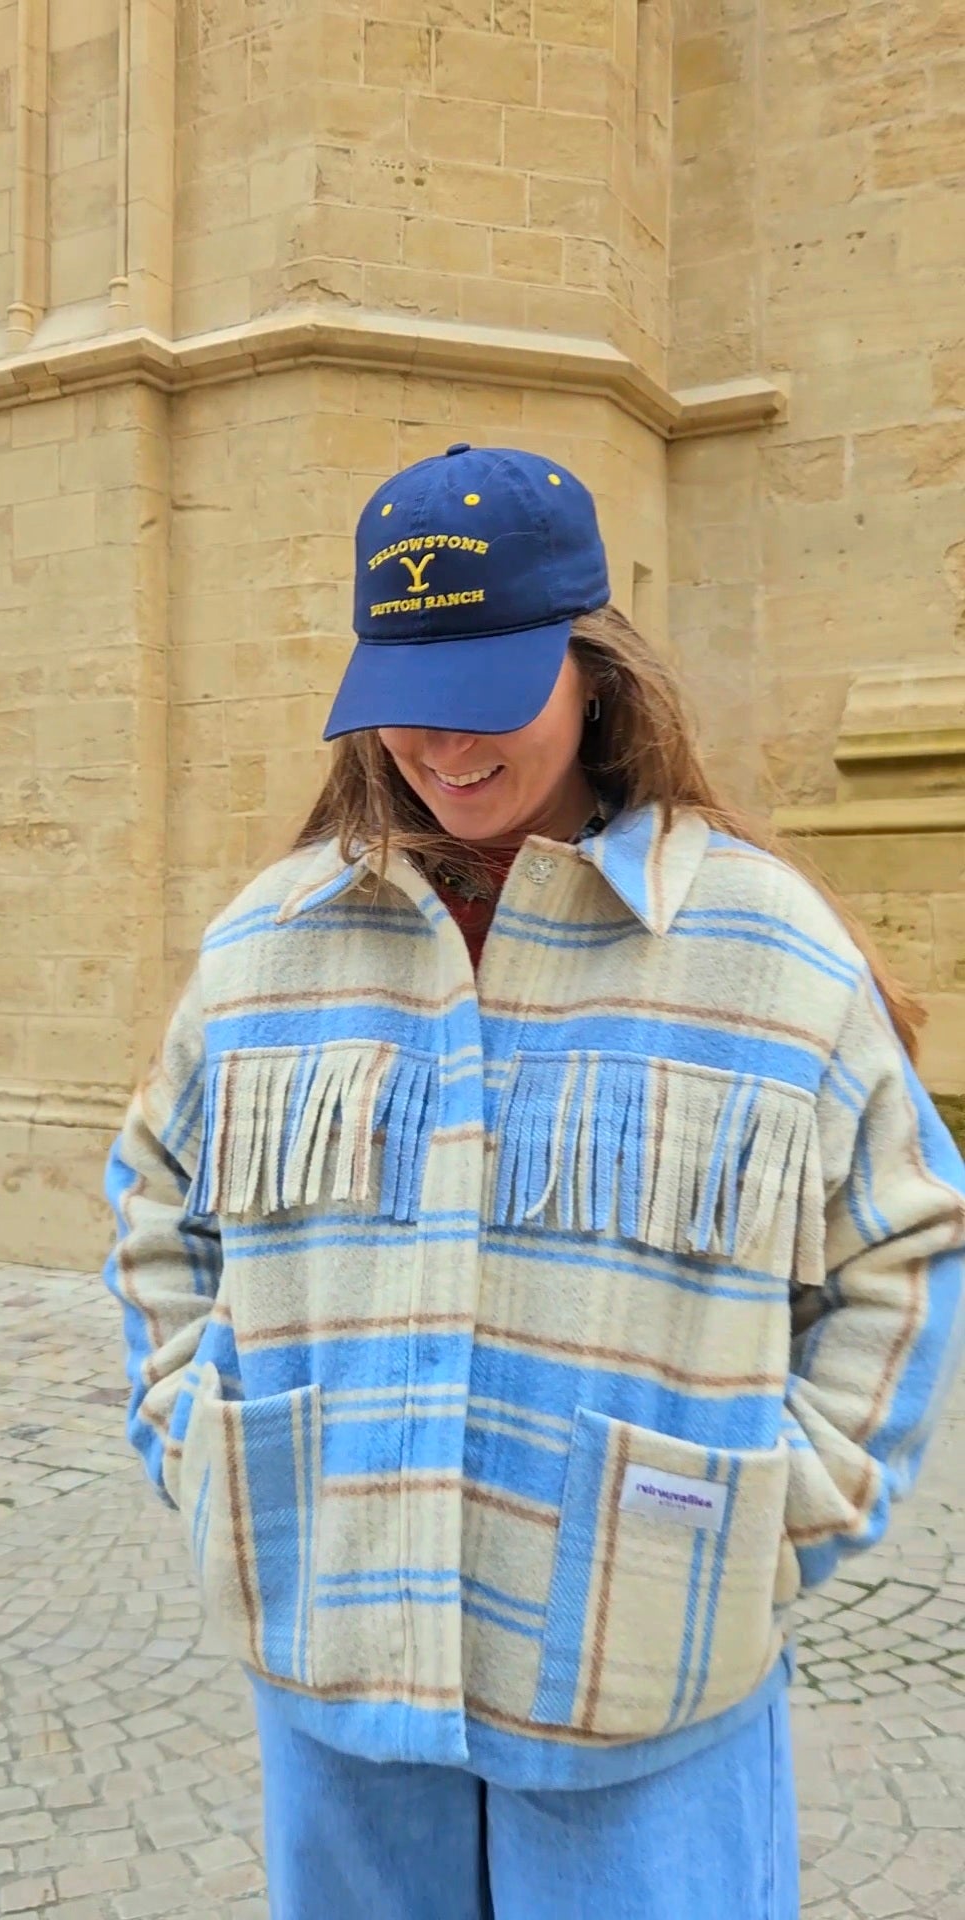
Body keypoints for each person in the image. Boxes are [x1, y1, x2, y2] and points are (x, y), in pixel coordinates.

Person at [103, 445, 965, 1920]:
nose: (444, 742)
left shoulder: (765, 952)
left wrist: (777, 1518)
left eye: (491, 689)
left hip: (646, 1685)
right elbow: (155, 1201)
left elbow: (904, 1240)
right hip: (336, 1669)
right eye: (406, 694)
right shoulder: (265, 948)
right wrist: (206, 1449)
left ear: (595, 673)